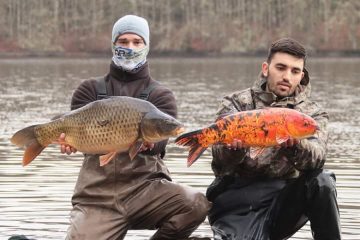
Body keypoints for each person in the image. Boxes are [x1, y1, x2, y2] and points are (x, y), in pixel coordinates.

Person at [60, 15, 210, 240]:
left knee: (196, 203)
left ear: (146, 47)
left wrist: (146, 143)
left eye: (137, 42)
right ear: (114, 45)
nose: (130, 47)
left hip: (145, 192)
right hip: (97, 198)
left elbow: (159, 143)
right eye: (123, 41)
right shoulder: (88, 90)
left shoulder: (161, 95)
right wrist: (69, 143)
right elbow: (83, 140)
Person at [206, 38, 341, 240]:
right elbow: (218, 160)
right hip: (236, 198)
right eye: (281, 67)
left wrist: (295, 146)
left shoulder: (312, 115)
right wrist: (235, 149)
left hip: (283, 199)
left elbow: (318, 158)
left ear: (301, 75)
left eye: (295, 71)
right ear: (266, 68)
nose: (287, 76)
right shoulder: (235, 103)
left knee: (323, 181)